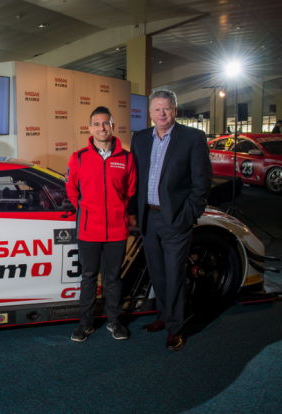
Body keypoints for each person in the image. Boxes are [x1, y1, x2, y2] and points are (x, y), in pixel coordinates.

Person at [128, 90, 212, 351]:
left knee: (175, 273)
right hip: (148, 218)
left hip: (176, 217)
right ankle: (163, 317)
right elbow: (135, 180)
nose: (161, 114)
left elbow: (202, 181)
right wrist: (133, 212)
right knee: (157, 272)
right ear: (150, 112)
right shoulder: (140, 138)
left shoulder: (192, 137)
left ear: (175, 110)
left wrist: (190, 212)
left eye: (166, 109)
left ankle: (175, 328)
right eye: (156, 109)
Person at [65, 106, 137, 342]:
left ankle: (114, 322)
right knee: (88, 278)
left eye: (105, 123)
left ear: (112, 126)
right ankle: (85, 324)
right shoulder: (78, 158)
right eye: (96, 124)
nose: (101, 128)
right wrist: (86, 212)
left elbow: (131, 191)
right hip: (88, 230)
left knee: (113, 278)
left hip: (117, 230)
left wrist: (117, 211)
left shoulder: (126, 158)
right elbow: (72, 191)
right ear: (90, 128)